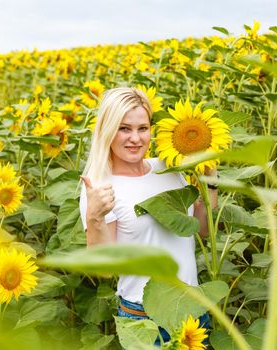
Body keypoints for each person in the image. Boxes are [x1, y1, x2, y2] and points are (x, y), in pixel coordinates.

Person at [79, 87, 217, 345]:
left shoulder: (167, 167)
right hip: (144, 317)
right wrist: (95, 216)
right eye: (124, 128)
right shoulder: (100, 187)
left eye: (143, 128)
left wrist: (210, 181)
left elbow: (203, 229)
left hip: (193, 310)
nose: (135, 138)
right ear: (107, 130)